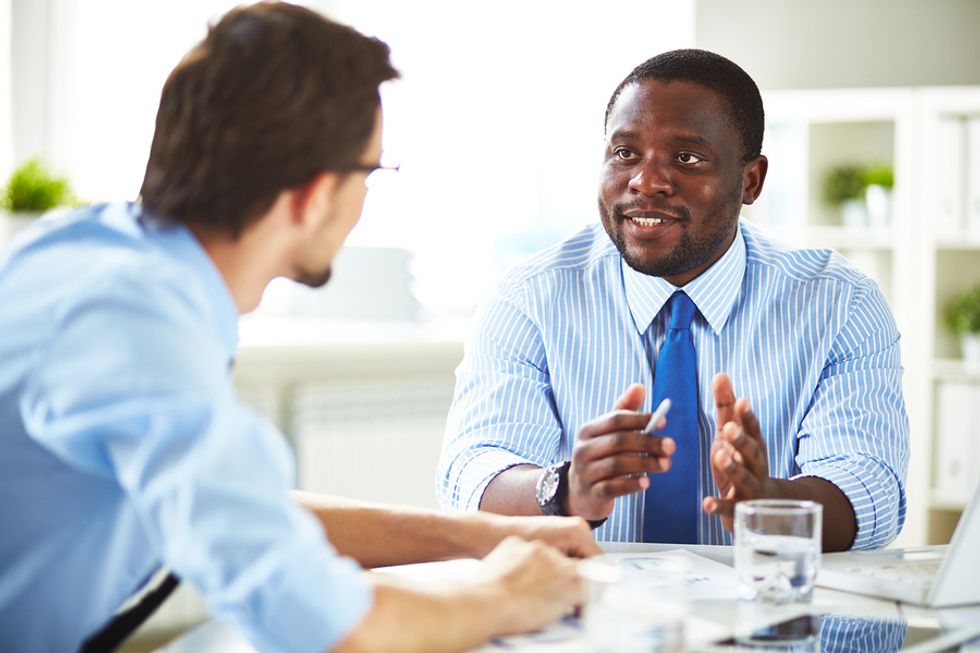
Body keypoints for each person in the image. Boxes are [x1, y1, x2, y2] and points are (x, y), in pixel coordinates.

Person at [0, 4, 600, 653]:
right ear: (315, 193)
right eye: (372, 171)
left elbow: (240, 512)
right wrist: (508, 595)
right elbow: (335, 626)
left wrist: (478, 535)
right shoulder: (139, 331)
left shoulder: (89, 254)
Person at [437, 49, 909, 553]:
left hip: (763, 611)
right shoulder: (529, 297)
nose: (646, 182)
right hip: (585, 610)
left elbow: (871, 488)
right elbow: (472, 474)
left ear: (750, 181)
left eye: (686, 158)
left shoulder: (840, 304)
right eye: (625, 154)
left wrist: (768, 501)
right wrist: (565, 489)